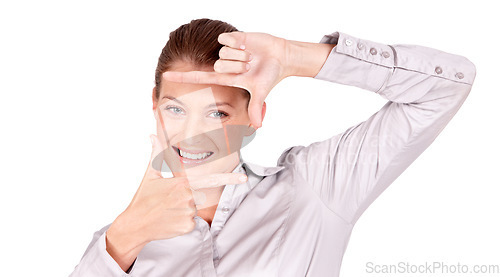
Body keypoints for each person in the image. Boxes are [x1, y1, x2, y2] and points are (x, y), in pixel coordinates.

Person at [69, 18, 476, 276]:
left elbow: (447, 85)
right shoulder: (116, 246)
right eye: (176, 109)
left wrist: (294, 56)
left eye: (217, 114)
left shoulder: (315, 188)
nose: (192, 135)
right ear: (155, 107)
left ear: (256, 115)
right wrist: (123, 238)